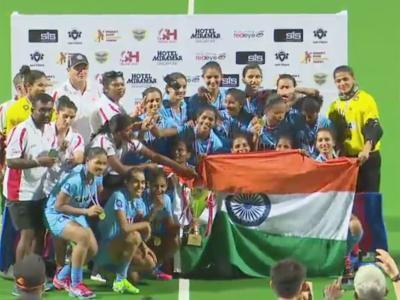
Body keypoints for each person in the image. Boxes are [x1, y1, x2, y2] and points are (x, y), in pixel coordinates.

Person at [2, 93, 56, 295]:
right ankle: (21, 282)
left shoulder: (50, 129)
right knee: (27, 234)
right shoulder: (21, 130)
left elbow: (49, 154)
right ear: (33, 109)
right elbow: (11, 161)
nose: (46, 113)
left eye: (49, 109)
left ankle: (33, 279)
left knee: (40, 235)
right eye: (42, 109)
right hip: (19, 192)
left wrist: (56, 154)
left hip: (40, 191)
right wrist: (37, 162)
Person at [46, 147, 107, 299]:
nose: (101, 167)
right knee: (83, 237)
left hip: (75, 213)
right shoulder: (74, 179)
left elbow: (97, 190)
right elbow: (58, 206)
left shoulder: (97, 176)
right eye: (97, 163)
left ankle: (61, 277)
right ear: (87, 161)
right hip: (56, 213)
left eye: (104, 163)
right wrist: (87, 212)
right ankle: (75, 284)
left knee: (92, 249)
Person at [90, 113, 196, 190]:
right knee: (134, 177)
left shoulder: (128, 140)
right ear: (117, 133)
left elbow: (155, 156)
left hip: (105, 177)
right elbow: (121, 170)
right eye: (127, 130)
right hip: (93, 179)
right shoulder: (105, 141)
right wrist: (146, 166)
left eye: (131, 128)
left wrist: (181, 169)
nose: (131, 132)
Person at [314, 128, 363, 280]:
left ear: (334, 142)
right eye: (320, 140)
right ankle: (335, 260)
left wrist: (357, 162)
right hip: (320, 214)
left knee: (356, 228)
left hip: (341, 212)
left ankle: (343, 256)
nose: (324, 143)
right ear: (316, 144)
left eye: (327, 139)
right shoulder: (312, 165)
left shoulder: (344, 163)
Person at [95, 168, 155, 294]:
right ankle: (118, 277)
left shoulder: (139, 201)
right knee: (134, 237)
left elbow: (132, 226)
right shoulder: (119, 196)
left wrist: (144, 246)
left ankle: (112, 273)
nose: (140, 186)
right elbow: (125, 228)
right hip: (105, 247)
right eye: (136, 182)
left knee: (150, 262)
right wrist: (145, 225)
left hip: (120, 246)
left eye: (143, 182)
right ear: (126, 183)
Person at [327, 65, 383, 192]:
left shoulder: (366, 99)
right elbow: (333, 135)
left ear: (353, 79)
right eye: (338, 81)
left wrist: (366, 150)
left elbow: (373, 126)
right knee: (348, 199)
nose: (342, 83)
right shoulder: (334, 106)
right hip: (347, 159)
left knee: (369, 198)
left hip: (367, 157)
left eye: (345, 79)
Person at [150, 105, 230, 165]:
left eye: (210, 119)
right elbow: (160, 134)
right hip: (181, 167)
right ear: (197, 118)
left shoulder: (217, 144)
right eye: (204, 117)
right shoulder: (186, 129)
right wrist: (151, 125)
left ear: (215, 123)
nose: (206, 121)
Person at [52, 53, 101, 144]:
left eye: (84, 68)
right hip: (70, 146)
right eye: (77, 68)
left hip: (94, 145)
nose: (81, 71)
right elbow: (51, 122)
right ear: (68, 70)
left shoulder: (97, 89)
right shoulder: (59, 92)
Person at [141, 169, 180, 280]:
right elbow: (142, 225)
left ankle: (156, 267)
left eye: (162, 186)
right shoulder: (143, 198)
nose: (159, 190)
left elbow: (170, 224)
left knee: (175, 240)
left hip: (158, 235)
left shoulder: (166, 199)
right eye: (156, 186)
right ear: (149, 185)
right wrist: (156, 209)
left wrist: (179, 228)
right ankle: (143, 268)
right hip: (144, 237)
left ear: (167, 186)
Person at [5, 66, 48, 135]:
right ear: (29, 86)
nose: (44, 89)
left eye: (45, 86)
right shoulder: (15, 109)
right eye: (40, 85)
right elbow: (10, 139)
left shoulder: (51, 108)